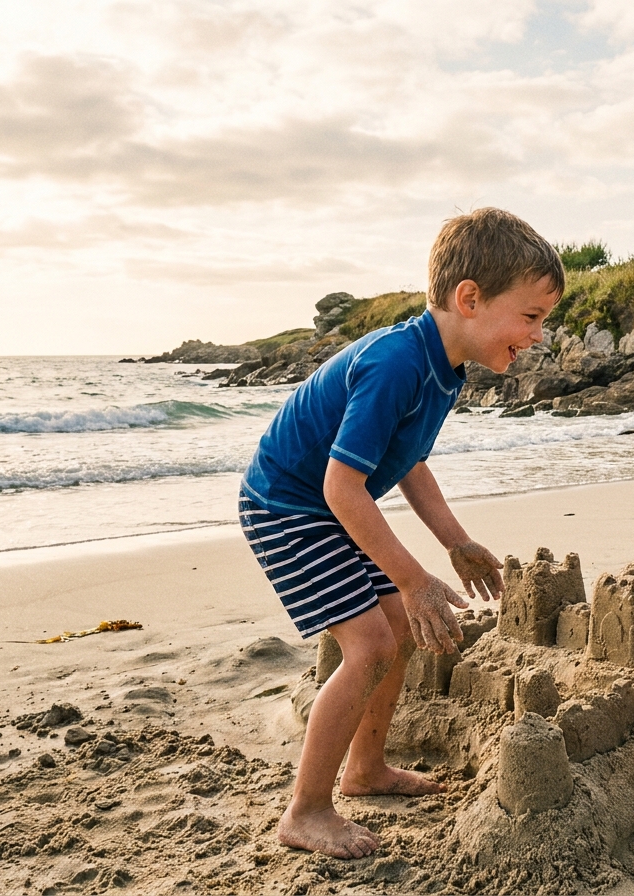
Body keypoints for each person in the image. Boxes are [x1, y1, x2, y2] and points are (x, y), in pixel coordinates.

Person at [238, 208, 564, 859]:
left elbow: (409, 460)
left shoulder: (444, 369)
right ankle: (305, 811)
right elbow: (340, 487)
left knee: (401, 633)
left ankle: (366, 770)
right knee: (369, 645)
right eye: (530, 317)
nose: (539, 335)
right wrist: (414, 579)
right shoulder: (395, 363)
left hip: (331, 509)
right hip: (290, 511)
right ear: (468, 298)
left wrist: (455, 542)